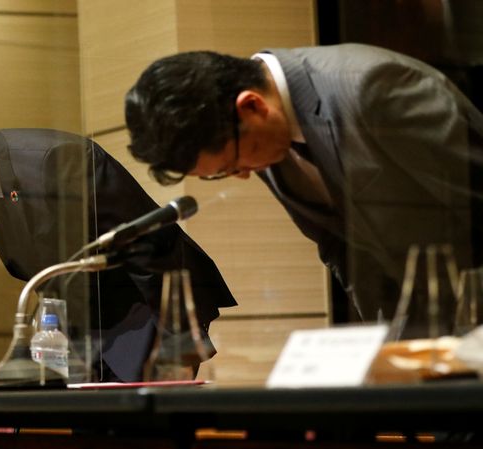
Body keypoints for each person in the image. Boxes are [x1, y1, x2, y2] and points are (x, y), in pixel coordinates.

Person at [125, 44, 483, 321]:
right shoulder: (266, 135)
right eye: (224, 172)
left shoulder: (372, 87)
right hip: (425, 330)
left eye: (234, 162)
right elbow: (341, 249)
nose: (244, 174)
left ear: (252, 106)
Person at [0, 127, 236, 382]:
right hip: (86, 321)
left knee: (140, 443)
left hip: (143, 307)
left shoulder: (55, 160)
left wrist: (175, 341)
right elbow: (44, 269)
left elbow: (147, 246)